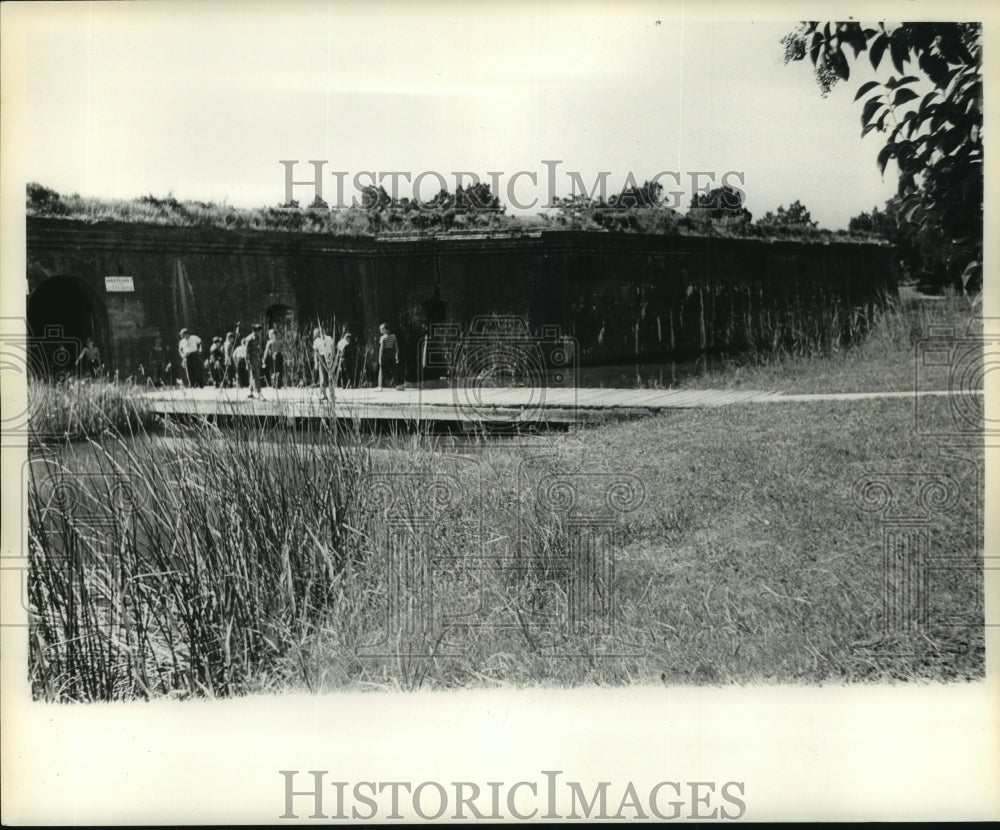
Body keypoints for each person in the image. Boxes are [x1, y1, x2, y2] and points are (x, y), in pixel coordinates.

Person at [312, 326, 336, 401]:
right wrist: (316, 362)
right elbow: (315, 353)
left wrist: (333, 358)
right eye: (319, 333)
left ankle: (332, 394)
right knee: (322, 377)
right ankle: (324, 395)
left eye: (322, 332)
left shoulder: (329, 338)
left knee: (331, 377)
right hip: (322, 358)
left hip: (329, 357)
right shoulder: (317, 341)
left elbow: (333, 349)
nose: (321, 334)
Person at [243, 324, 263, 399]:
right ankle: (258, 392)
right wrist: (246, 363)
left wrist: (260, 357)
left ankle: (250, 392)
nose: (260, 332)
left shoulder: (258, 337)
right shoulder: (249, 339)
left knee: (253, 375)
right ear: (255, 331)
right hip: (250, 358)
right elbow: (246, 352)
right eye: (259, 331)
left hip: (256, 357)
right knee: (255, 375)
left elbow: (258, 349)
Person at [377, 322, 399, 390]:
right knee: (394, 370)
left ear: (385, 329)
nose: (380, 330)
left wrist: (379, 358)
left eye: (381, 329)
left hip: (385, 354)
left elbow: (381, 349)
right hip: (392, 354)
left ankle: (380, 386)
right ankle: (398, 385)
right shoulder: (393, 336)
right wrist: (397, 355)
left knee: (382, 370)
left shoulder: (382, 338)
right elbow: (396, 347)